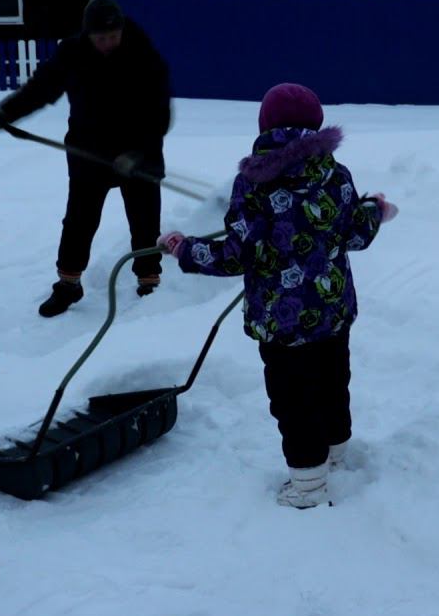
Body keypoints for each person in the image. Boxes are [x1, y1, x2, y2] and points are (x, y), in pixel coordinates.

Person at [158, 83, 398, 508]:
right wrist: (375, 211)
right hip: (332, 311)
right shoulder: (336, 175)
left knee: (294, 399)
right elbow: (354, 234)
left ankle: (308, 485)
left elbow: (237, 254)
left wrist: (184, 249)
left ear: (265, 128)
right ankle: (336, 454)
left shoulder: (253, 185)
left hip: (282, 321)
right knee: (331, 383)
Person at [0, 0, 172, 317]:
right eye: (101, 39)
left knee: (144, 221)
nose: (108, 44)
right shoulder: (72, 53)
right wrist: (8, 112)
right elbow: (42, 88)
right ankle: (69, 285)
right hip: (89, 151)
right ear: (88, 35)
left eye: (113, 37)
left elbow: (159, 115)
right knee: (79, 222)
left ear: (122, 30)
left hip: (140, 153)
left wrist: (137, 153)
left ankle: (148, 282)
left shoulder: (144, 55)